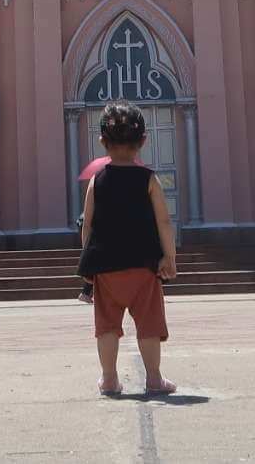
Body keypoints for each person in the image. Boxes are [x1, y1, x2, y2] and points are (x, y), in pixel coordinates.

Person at [79, 102, 177, 398]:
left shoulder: (97, 180)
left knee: (107, 325)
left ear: (102, 142)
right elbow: (163, 220)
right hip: (143, 265)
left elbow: (88, 225)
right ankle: (154, 379)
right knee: (148, 324)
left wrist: (90, 258)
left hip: (107, 267)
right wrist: (169, 256)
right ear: (143, 141)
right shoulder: (148, 179)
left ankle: (109, 380)